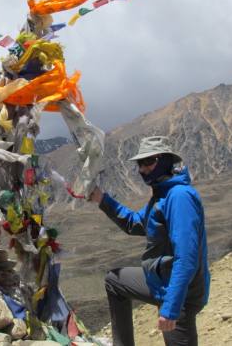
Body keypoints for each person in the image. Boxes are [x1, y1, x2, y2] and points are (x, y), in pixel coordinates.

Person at [89, 136, 210, 346]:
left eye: (149, 162)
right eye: (139, 164)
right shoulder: (161, 195)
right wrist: (102, 199)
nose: (142, 169)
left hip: (180, 293)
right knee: (115, 281)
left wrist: (171, 308)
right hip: (160, 280)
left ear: (165, 161)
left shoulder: (179, 196)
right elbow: (135, 223)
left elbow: (187, 258)